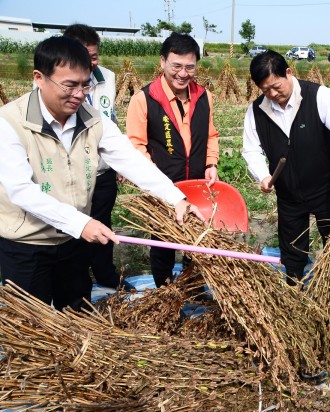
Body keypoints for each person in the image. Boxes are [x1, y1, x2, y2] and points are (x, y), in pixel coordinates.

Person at [0, 36, 204, 311]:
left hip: (72, 241)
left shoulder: (93, 118)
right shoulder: (10, 122)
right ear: (39, 78)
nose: (79, 94)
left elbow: (131, 161)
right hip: (27, 244)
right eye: (69, 85)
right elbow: (21, 191)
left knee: (77, 311)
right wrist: (81, 223)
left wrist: (175, 198)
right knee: (31, 325)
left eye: (85, 84)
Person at [242, 50, 330, 285]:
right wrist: (263, 176)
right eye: (265, 90)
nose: (273, 94)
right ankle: (294, 287)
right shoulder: (256, 110)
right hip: (289, 194)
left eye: (276, 86)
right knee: (292, 249)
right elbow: (250, 149)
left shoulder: (318, 96)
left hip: (326, 189)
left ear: (288, 72)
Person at [126, 32, 219, 288]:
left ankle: (194, 289)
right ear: (162, 62)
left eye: (190, 67)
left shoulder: (204, 97)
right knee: (164, 244)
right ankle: (166, 292)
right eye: (176, 65)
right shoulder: (144, 99)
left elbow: (211, 134)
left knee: (198, 242)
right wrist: (155, 182)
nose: (183, 73)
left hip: (197, 184)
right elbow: (136, 146)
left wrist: (211, 163)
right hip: (163, 187)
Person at [62, 23, 133, 291]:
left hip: (102, 170)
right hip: (72, 174)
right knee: (74, 228)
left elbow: (110, 119)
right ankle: (76, 279)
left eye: (94, 56)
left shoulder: (108, 78)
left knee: (103, 223)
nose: (92, 63)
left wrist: (120, 160)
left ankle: (105, 274)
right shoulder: (57, 83)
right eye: (85, 56)